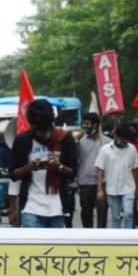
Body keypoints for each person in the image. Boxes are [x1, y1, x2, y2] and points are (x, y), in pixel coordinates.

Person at [9, 98, 77, 229]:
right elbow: (13, 174)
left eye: (42, 128)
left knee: (55, 248)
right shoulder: (22, 140)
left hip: (57, 207)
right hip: (31, 207)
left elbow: (72, 173)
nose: (39, 131)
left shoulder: (65, 139)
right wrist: (29, 167)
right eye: (35, 128)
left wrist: (58, 166)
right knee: (34, 248)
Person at [95, 123, 138, 229]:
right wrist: (99, 190)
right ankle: (117, 240)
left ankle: (128, 238)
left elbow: (135, 169)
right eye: (123, 139)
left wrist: (137, 188)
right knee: (115, 217)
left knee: (129, 213)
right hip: (111, 189)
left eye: (127, 140)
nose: (125, 142)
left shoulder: (132, 149)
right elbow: (100, 170)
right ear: (116, 136)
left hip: (128, 187)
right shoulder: (105, 150)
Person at [76, 112, 109, 228]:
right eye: (84, 123)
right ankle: (87, 235)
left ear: (96, 125)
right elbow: (74, 158)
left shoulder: (106, 142)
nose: (85, 126)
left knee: (102, 211)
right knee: (86, 211)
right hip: (85, 182)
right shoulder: (80, 141)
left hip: (103, 182)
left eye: (88, 123)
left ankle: (101, 237)